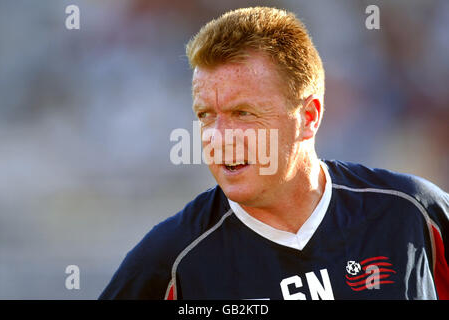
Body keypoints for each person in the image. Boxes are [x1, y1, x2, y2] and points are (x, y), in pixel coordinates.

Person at [99, 7, 448, 300]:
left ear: (308, 117)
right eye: (205, 116)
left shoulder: (410, 213)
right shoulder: (172, 261)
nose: (219, 138)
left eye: (243, 114)